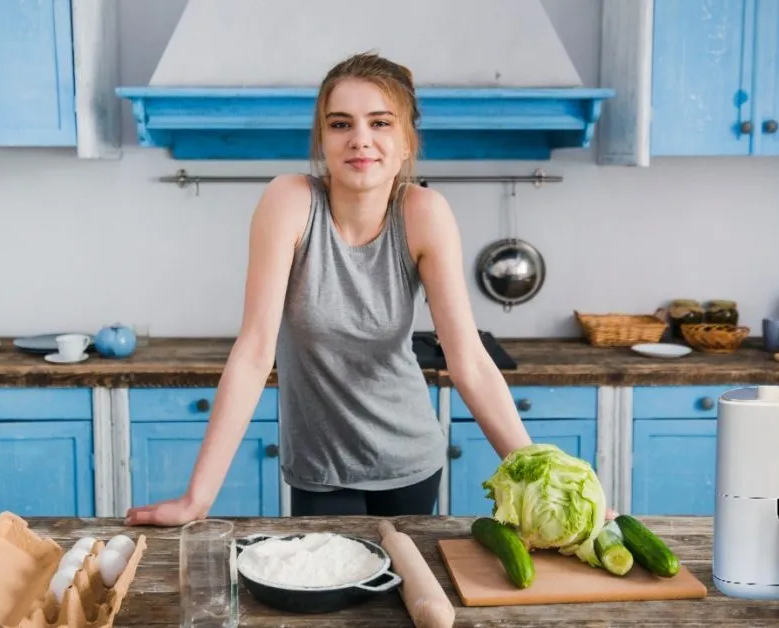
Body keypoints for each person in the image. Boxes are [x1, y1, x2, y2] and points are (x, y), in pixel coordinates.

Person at [125, 52, 533, 525]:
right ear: (323, 139)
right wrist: (197, 499)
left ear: (405, 143)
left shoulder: (425, 213)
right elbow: (256, 351)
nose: (360, 139)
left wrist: (543, 479)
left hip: (409, 462)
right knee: (328, 594)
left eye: (380, 123)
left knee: (399, 595)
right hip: (320, 468)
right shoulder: (291, 201)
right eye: (341, 124)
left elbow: (470, 363)